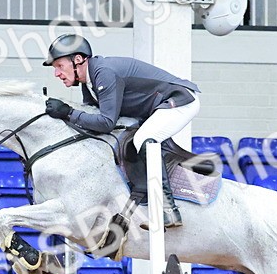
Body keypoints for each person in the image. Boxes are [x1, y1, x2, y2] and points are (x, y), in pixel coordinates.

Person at [42, 33, 199, 230]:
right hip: (157, 107)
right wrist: (66, 115)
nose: (56, 73)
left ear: (78, 59)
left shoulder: (104, 73)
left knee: (144, 139)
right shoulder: (88, 83)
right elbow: (91, 120)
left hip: (180, 100)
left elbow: (106, 123)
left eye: (59, 66)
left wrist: (68, 112)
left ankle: (168, 210)